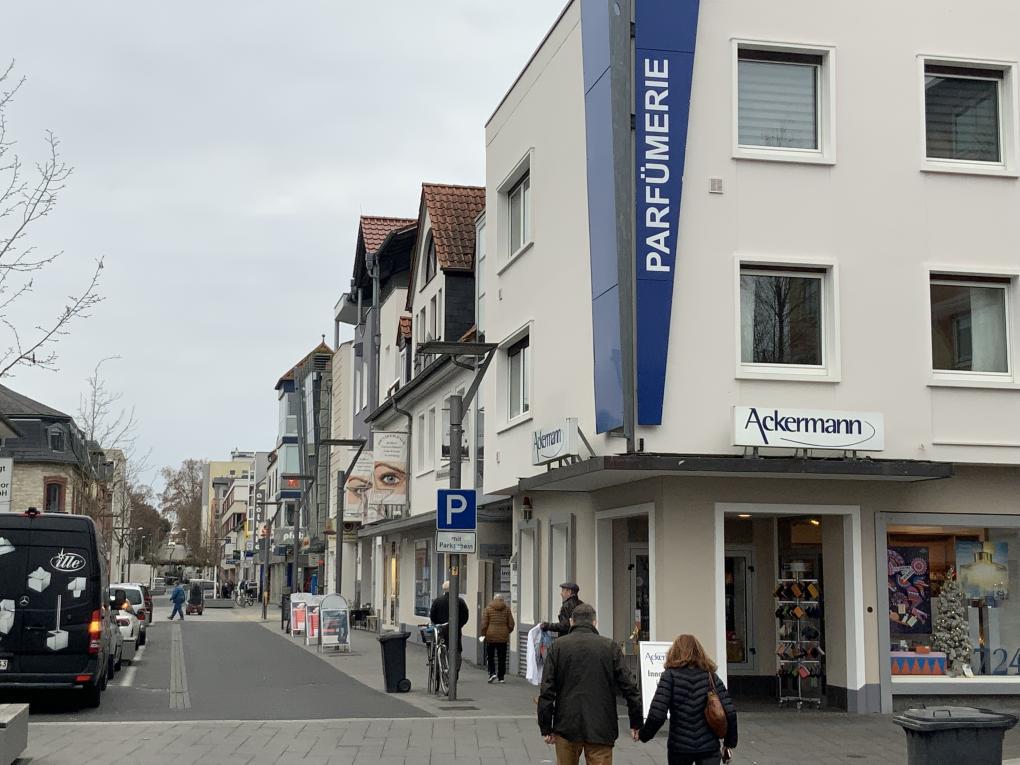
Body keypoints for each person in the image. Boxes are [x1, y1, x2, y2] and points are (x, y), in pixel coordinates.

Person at [538, 604, 642, 765]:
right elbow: (630, 687)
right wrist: (636, 722)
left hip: (566, 724)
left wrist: (546, 727)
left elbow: (547, 690)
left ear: (572, 621)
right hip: (601, 725)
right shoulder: (609, 647)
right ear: (595, 622)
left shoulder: (557, 647)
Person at [638, 634, 738, 765]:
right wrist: (729, 743)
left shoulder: (669, 676)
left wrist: (644, 735)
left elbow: (657, 714)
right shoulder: (710, 676)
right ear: (699, 652)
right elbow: (730, 712)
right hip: (708, 746)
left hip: (680, 747)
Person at [429, 580, 469, 671]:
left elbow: (432, 616)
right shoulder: (460, 601)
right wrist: (459, 625)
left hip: (441, 630)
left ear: (444, 589)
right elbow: (465, 616)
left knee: (440, 648)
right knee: (456, 649)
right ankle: (455, 671)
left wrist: (437, 624)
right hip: (455, 630)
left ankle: (441, 668)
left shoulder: (437, 601)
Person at [481, 593, 515, 683]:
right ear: (502, 600)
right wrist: (506, 631)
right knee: (502, 657)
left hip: (490, 636)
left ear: (493, 599)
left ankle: (492, 673)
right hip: (503, 637)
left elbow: (484, 624)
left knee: (490, 656)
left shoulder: (488, 609)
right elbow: (511, 623)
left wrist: (483, 634)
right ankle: (501, 677)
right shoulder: (507, 609)